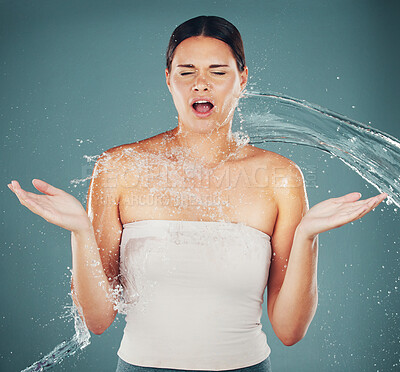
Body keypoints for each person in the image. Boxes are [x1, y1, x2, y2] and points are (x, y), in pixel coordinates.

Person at [8, 15, 387, 372]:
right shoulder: (119, 167)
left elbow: (290, 331)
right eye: (186, 72)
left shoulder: (280, 177)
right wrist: (80, 231)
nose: (200, 84)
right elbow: (98, 319)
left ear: (242, 79)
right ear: (168, 80)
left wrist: (308, 236)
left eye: (217, 72)